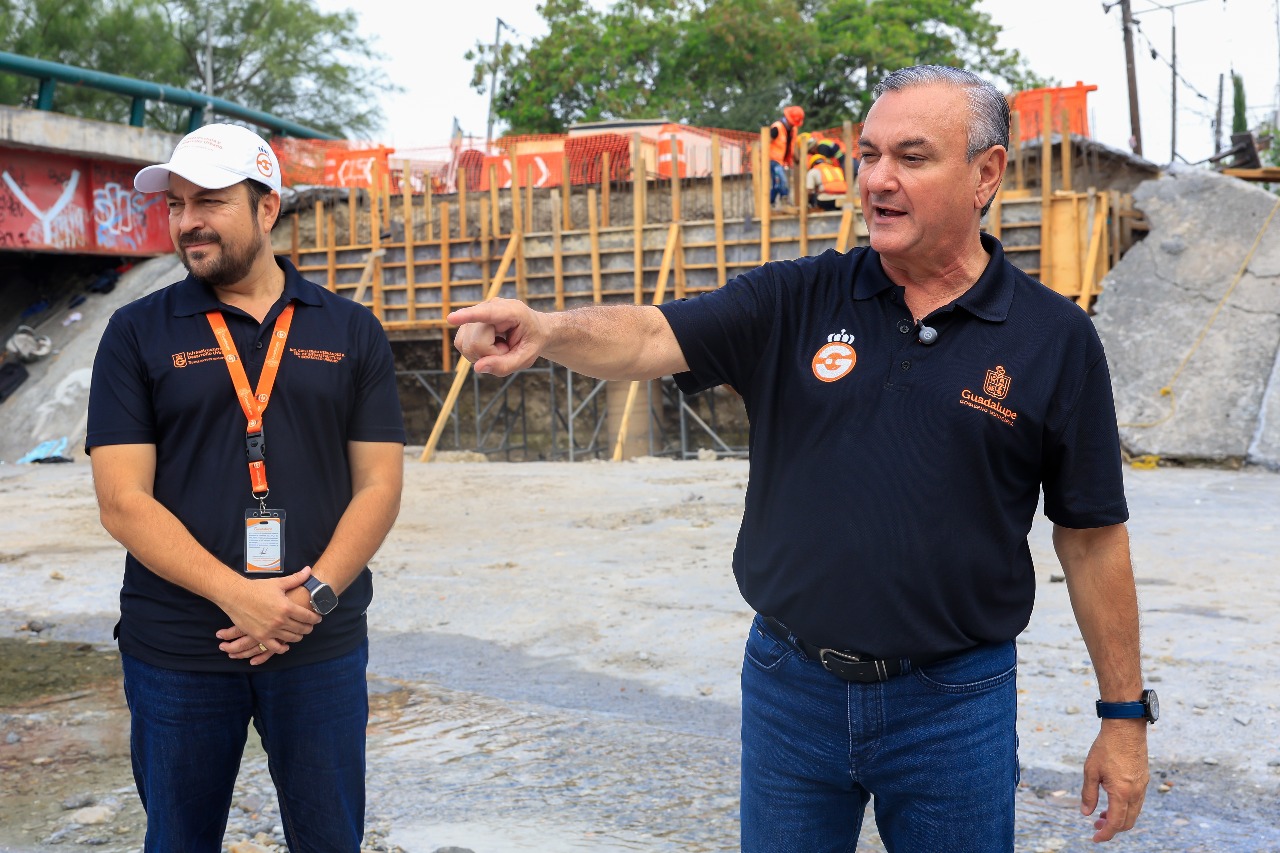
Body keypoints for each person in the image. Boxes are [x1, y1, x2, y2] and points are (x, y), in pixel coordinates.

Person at [448, 65, 1152, 851]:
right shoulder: (799, 299)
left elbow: (1091, 537)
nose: (877, 180)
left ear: (985, 173)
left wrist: (1123, 717)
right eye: (868, 155)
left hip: (955, 704)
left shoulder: (1052, 339)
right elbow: (651, 334)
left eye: (911, 158)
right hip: (791, 689)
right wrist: (546, 329)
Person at [86, 123, 405, 852]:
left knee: (330, 841)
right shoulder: (135, 333)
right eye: (176, 202)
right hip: (178, 649)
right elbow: (122, 499)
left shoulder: (351, 330)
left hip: (318, 639)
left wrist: (313, 595)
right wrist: (241, 595)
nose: (187, 219)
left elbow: (380, 485)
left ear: (267, 208)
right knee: (178, 840)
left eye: (210, 200)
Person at [768, 105, 804, 206]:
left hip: (781, 161)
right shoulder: (777, 128)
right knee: (781, 179)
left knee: (777, 183)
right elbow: (765, 142)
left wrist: (798, 160)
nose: (793, 125)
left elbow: (793, 146)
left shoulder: (793, 130)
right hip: (772, 160)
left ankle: (771, 203)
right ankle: (785, 198)